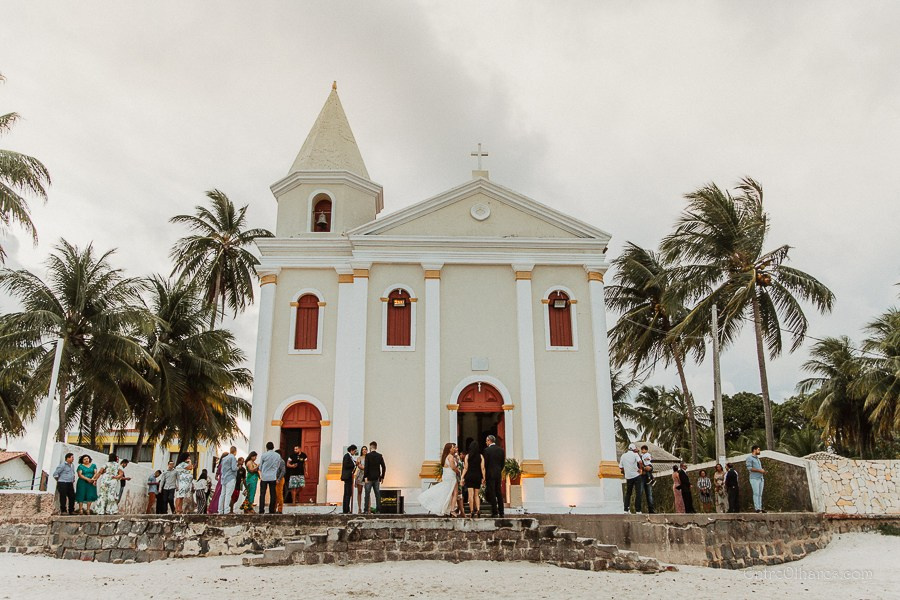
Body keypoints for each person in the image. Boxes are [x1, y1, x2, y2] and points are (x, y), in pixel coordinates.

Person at [418, 443, 458, 515]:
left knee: (447, 492)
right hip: (451, 476)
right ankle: (452, 510)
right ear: (449, 449)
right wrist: (458, 471)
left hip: (446, 475)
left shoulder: (445, 457)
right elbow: (453, 467)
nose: (454, 449)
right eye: (453, 447)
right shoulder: (450, 457)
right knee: (454, 493)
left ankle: (448, 509)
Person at [483, 435, 505, 518]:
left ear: (489, 441)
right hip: (498, 473)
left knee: (492, 493)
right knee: (498, 492)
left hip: (490, 473)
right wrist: (499, 470)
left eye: (486, 441)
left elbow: (486, 463)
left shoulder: (487, 450)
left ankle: (495, 511)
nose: (486, 442)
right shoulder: (501, 450)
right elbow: (502, 463)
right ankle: (501, 512)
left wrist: (485, 475)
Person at [461, 441, 485, 517]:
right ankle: (478, 509)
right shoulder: (481, 456)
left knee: (470, 495)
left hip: (469, 476)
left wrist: (462, 477)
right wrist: (484, 477)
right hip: (477, 476)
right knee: (476, 495)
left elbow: (465, 468)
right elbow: (483, 468)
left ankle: (471, 511)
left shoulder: (467, 456)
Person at [619, 444, 643, 513]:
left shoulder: (623, 456)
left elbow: (620, 467)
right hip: (636, 475)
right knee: (638, 493)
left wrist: (626, 471)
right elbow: (640, 462)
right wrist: (640, 469)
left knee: (628, 493)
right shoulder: (635, 454)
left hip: (628, 477)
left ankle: (626, 509)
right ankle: (638, 510)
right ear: (633, 449)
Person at [363, 441, 386, 514]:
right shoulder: (379, 456)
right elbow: (384, 467)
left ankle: (366, 510)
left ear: (370, 447)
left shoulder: (368, 456)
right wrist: (382, 477)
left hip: (369, 478)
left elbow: (366, 467)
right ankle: (378, 510)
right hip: (377, 478)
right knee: (377, 494)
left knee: (367, 494)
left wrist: (365, 476)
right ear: (376, 447)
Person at [258, 442, 280, 514]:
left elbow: (260, 467)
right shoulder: (277, 455)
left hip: (264, 477)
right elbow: (278, 465)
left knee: (262, 494)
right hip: (273, 476)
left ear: (266, 447)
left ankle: (261, 509)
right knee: (273, 494)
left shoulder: (264, 455)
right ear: (273, 447)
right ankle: (271, 510)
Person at [218, 446, 238, 514]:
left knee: (222, 494)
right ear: (235, 451)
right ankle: (226, 510)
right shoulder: (233, 458)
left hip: (224, 478)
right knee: (228, 494)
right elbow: (234, 468)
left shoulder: (224, 458)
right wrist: (238, 467)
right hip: (230, 478)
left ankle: (220, 510)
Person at [746, 445, 766, 513]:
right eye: (758, 449)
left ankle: (760, 507)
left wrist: (762, 471)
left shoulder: (757, 458)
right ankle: (756, 508)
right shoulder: (749, 458)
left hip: (760, 478)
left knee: (760, 493)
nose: (759, 451)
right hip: (754, 478)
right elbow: (749, 468)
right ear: (754, 450)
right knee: (756, 493)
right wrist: (759, 470)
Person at [341, 445, 358, 514]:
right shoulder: (346, 456)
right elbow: (346, 465)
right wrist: (354, 464)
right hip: (347, 477)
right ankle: (346, 509)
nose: (355, 452)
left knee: (348, 493)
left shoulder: (350, 457)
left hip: (349, 477)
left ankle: (347, 508)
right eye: (354, 451)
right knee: (347, 493)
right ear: (351, 450)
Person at [640, 445, 655, 514]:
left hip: (646, 475)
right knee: (640, 493)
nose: (642, 451)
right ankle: (638, 510)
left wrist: (649, 468)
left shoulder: (646, 455)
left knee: (649, 494)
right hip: (641, 477)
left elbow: (650, 466)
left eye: (643, 450)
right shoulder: (639, 457)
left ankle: (651, 509)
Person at [354, 446, 368, 514]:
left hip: (367, 476)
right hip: (360, 475)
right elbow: (359, 465)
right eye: (363, 450)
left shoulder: (369, 457)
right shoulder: (359, 458)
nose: (364, 451)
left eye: (365, 449)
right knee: (359, 492)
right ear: (361, 451)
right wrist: (366, 468)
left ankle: (368, 508)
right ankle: (359, 508)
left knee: (367, 492)